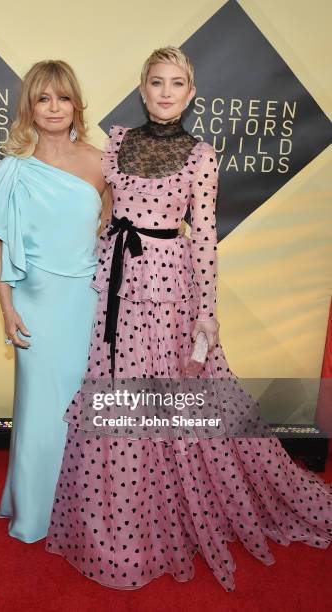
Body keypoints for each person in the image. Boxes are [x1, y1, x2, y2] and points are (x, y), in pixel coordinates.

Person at [45, 47, 332, 589]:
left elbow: (204, 241)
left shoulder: (202, 155)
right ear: (143, 88)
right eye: (157, 82)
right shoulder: (118, 143)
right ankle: (114, 523)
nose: (167, 92)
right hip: (114, 286)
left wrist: (207, 314)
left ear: (191, 93)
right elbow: (92, 206)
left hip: (169, 292)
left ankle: (161, 516)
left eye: (178, 83)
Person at [0, 60, 111, 543]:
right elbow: (0, 244)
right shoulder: (13, 169)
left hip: (85, 300)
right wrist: (7, 306)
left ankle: (79, 510)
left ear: (76, 104)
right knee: (39, 410)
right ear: (30, 108)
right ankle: (34, 513)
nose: (54, 107)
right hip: (34, 302)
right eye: (43, 98)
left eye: (62, 97)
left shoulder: (102, 163)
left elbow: (113, 232)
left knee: (82, 406)